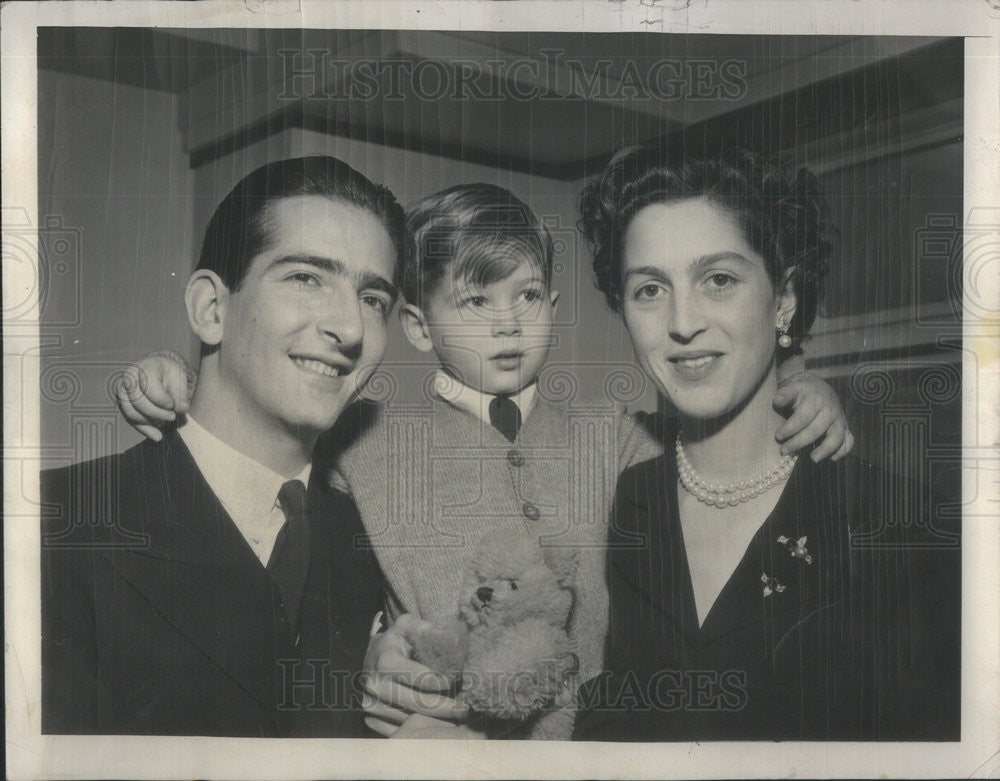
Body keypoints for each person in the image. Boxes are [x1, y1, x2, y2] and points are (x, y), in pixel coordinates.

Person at [117, 183, 855, 739]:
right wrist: (171, 374)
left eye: (529, 295)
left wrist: (798, 383)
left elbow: (723, 424)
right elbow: (267, 480)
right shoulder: (361, 439)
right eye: (474, 301)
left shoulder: (616, 430)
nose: (508, 323)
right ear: (415, 323)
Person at [571, 142, 961, 741]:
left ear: (785, 297)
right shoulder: (619, 496)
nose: (681, 322)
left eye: (718, 279)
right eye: (649, 289)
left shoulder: (901, 524)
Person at [41, 156, 409, 736]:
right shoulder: (52, 521)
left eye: (373, 299)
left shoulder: (379, 534)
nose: (351, 329)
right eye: (306, 278)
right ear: (212, 309)